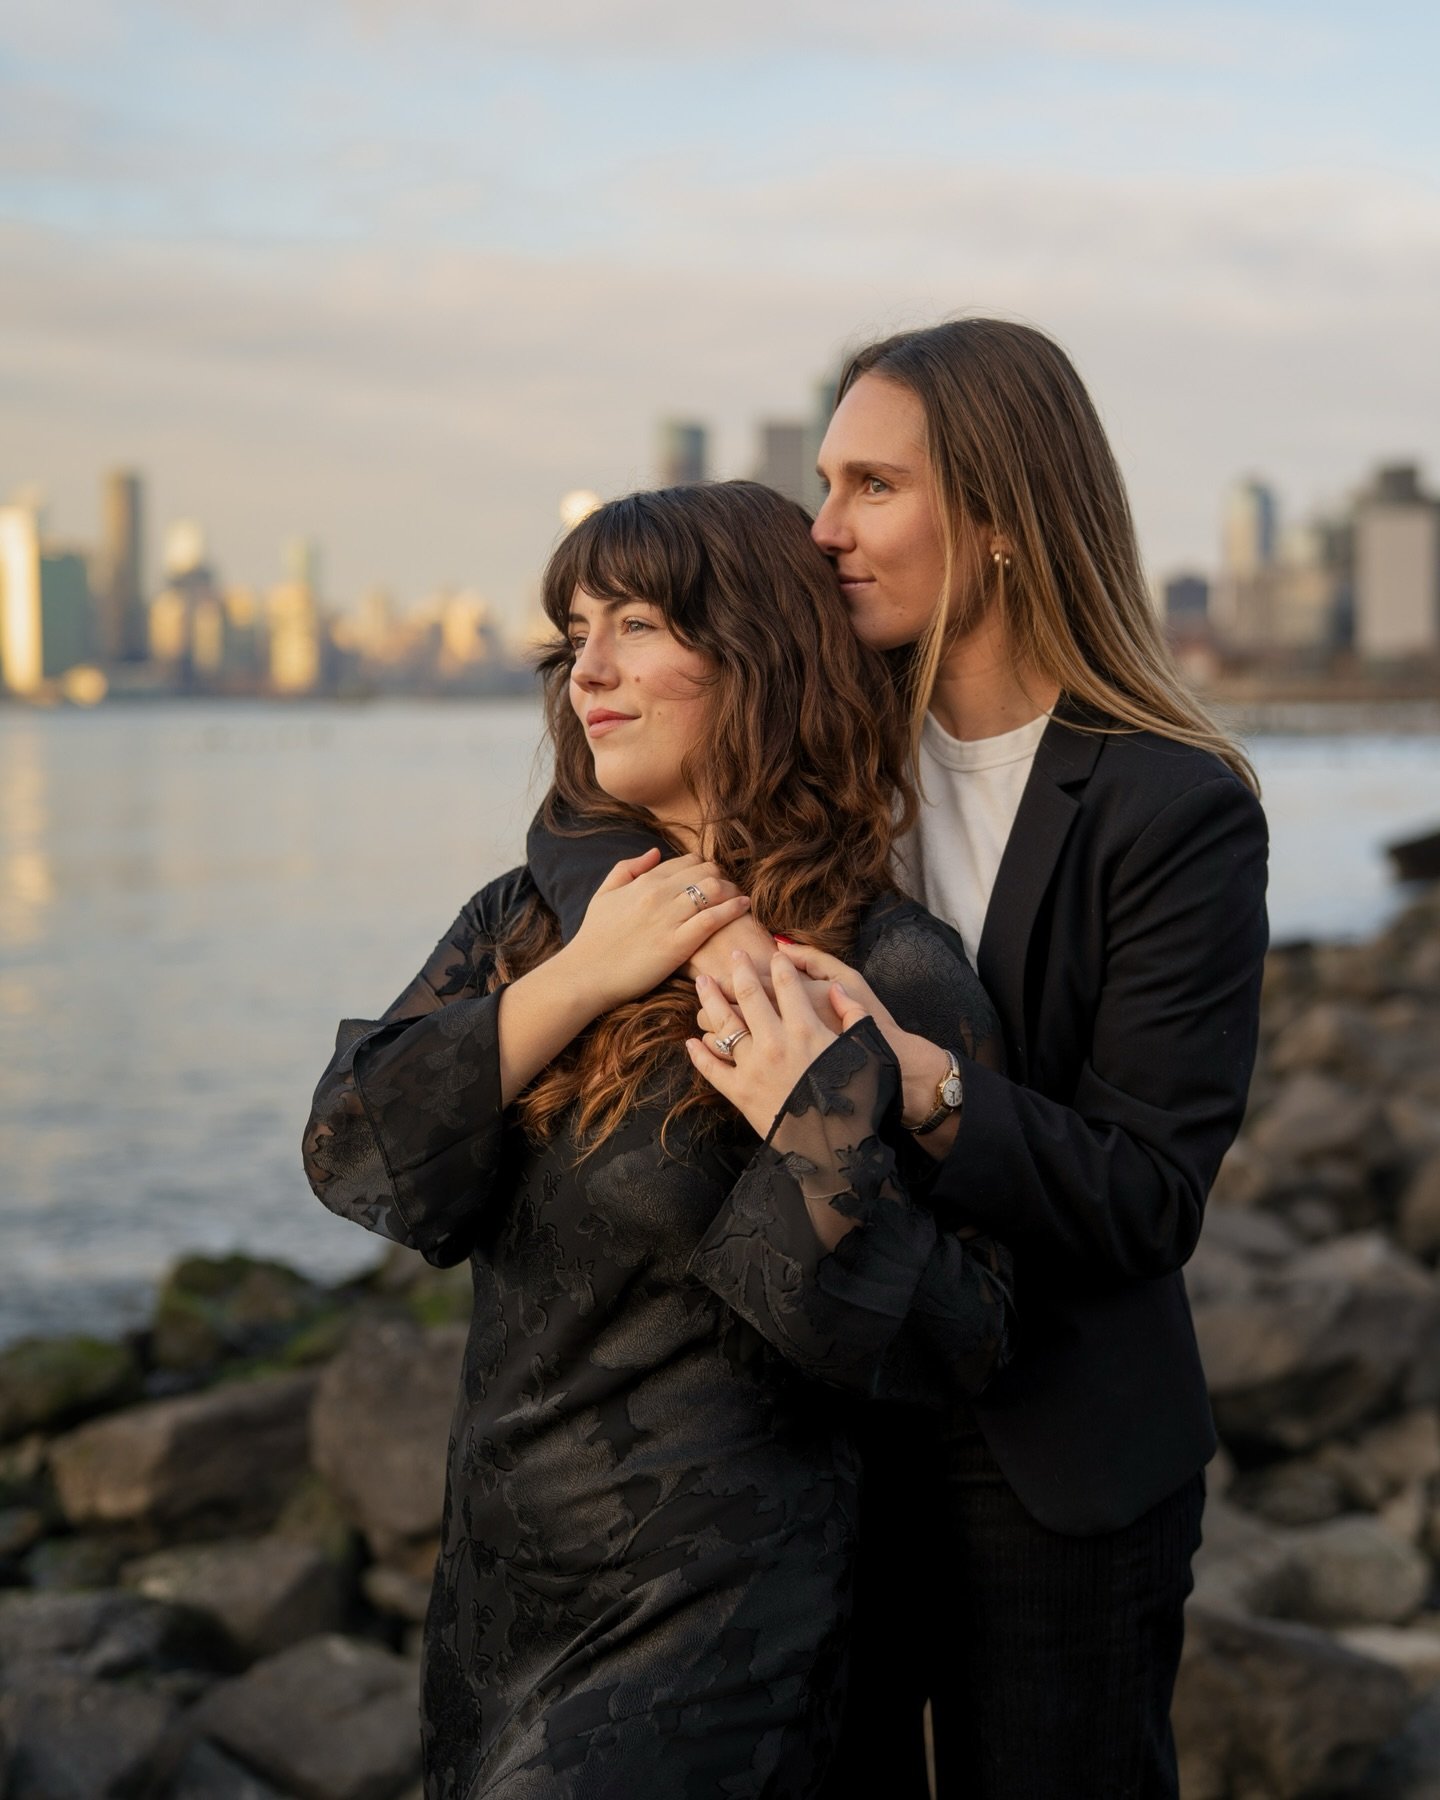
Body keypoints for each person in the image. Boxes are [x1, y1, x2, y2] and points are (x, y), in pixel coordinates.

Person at [526, 319, 1270, 1799]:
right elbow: (590, 806)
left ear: (998, 518)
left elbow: (1144, 1199)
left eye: (872, 486)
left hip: (1055, 1456)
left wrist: (914, 1084)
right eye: (823, 482)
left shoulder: (1175, 808)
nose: (822, 529)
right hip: (812, 1447)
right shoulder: (824, 734)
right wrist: (690, 935)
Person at [302, 479, 1014, 1800]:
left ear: (758, 651)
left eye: (637, 625)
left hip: (724, 1617)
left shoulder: (887, 974)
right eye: (577, 634)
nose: (593, 672)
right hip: (502, 1591)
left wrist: (819, 1126)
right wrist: (578, 980)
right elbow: (353, 1150)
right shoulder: (526, 920)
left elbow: (959, 1339)